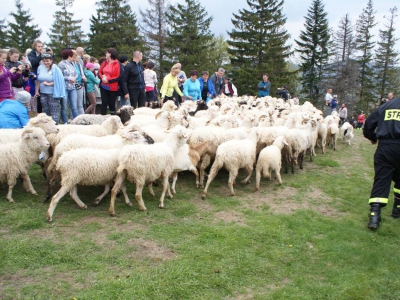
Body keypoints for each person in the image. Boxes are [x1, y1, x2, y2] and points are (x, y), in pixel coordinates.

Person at [363, 96, 400, 229]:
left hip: (386, 147)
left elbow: (369, 124)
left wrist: (372, 136)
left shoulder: (387, 106)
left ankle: (374, 217)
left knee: (382, 179)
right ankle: (397, 209)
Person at [35, 53, 65, 124]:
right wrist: (37, 91)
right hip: (43, 92)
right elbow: (38, 80)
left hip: (52, 92)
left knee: (54, 110)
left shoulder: (55, 68)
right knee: (45, 110)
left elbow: (59, 80)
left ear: (51, 60)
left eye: (47, 61)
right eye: (44, 61)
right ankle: (47, 125)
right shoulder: (40, 67)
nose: (45, 62)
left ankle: (55, 124)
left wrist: (49, 84)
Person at [58, 49, 79, 122]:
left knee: (74, 106)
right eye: (71, 55)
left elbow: (76, 73)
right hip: (65, 88)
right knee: (64, 106)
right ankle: (64, 122)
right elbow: (60, 76)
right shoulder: (61, 64)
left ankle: (77, 121)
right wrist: (68, 78)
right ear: (68, 56)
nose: (72, 57)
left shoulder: (71, 64)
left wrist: (74, 78)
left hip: (72, 87)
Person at [98, 48, 120, 115]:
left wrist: (108, 80)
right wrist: (102, 78)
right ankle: (102, 117)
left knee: (112, 103)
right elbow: (99, 72)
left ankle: (112, 118)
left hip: (112, 87)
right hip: (103, 85)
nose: (106, 54)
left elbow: (118, 76)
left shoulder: (117, 64)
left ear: (110, 54)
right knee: (104, 102)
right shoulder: (104, 62)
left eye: (107, 53)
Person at [72, 50, 86, 115]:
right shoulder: (69, 64)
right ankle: (72, 118)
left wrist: (83, 77)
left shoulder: (78, 64)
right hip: (72, 85)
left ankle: (82, 117)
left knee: (80, 104)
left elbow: (82, 73)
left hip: (79, 85)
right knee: (73, 104)